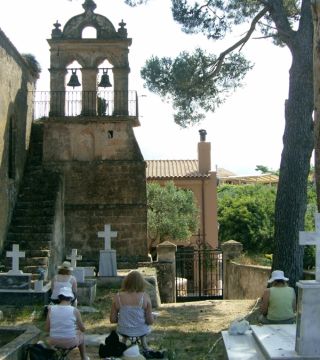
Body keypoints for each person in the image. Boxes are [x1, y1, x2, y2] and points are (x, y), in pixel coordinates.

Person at [110, 270, 154, 350]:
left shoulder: (118, 297)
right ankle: (144, 343)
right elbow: (150, 321)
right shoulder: (145, 297)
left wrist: (123, 318)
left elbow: (112, 319)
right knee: (143, 324)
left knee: (126, 323)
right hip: (141, 330)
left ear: (126, 282)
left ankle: (124, 341)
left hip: (123, 329)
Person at [45, 286, 90, 360]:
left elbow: (46, 329)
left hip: (53, 341)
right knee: (81, 334)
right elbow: (83, 329)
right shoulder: (74, 310)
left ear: (59, 298)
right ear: (71, 298)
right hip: (70, 341)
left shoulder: (51, 309)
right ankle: (84, 357)